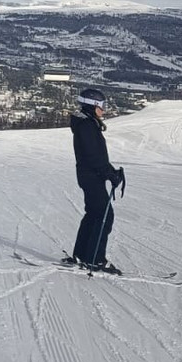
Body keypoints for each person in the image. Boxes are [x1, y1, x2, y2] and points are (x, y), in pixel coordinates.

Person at [65, 88, 125, 273]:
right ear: (93, 105)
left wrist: (110, 171)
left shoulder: (87, 124)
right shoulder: (87, 126)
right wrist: (109, 174)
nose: (104, 110)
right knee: (104, 216)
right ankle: (95, 259)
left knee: (93, 214)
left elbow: (95, 156)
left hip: (89, 175)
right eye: (102, 106)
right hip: (91, 175)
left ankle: (82, 254)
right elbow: (93, 156)